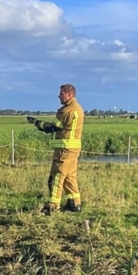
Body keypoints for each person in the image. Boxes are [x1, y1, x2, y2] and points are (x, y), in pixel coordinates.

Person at [27, 84, 83, 213]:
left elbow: (52, 127)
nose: (58, 96)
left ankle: (53, 206)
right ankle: (74, 203)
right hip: (73, 149)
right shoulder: (77, 108)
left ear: (68, 94)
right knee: (69, 176)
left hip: (64, 150)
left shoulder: (67, 110)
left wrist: (37, 123)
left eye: (61, 94)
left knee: (56, 177)